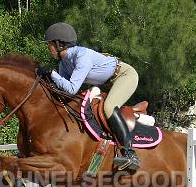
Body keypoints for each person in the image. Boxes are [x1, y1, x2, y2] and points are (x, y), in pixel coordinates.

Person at [37, 22, 140, 171]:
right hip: (109, 82)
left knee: (109, 107)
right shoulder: (64, 64)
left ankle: (130, 154)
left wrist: (52, 74)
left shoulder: (82, 56)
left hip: (125, 76)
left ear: (60, 44)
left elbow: (72, 89)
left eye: (50, 44)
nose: (48, 48)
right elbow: (64, 94)